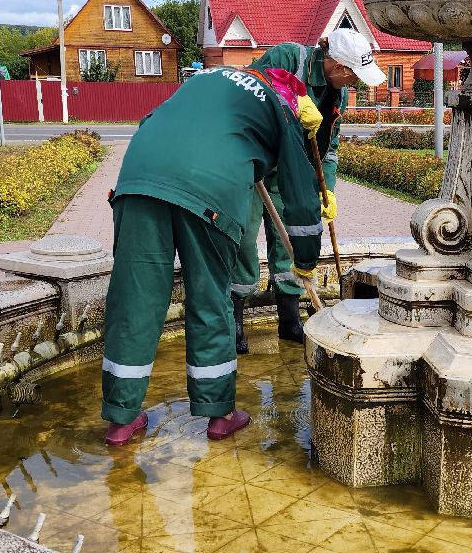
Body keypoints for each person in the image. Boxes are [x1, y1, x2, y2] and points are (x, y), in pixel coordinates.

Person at [100, 64, 324, 446]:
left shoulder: (204, 80)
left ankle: (121, 419)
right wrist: (305, 258)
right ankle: (219, 414)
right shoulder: (280, 107)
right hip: (210, 194)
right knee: (209, 299)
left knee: (134, 300)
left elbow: (155, 122)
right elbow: (300, 196)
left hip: (139, 179)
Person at [232, 28, 386, 350]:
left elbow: (329, 149)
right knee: (243, 240)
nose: (355, 84)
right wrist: (289, 101)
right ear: (340, 67)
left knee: (292, 240)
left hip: (294, 175)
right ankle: (234, 322)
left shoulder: (337, 94)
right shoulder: (289, 58)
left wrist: (326, 189)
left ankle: (289, 320)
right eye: (355, 76)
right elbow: (245, 95)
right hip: (252, 168)